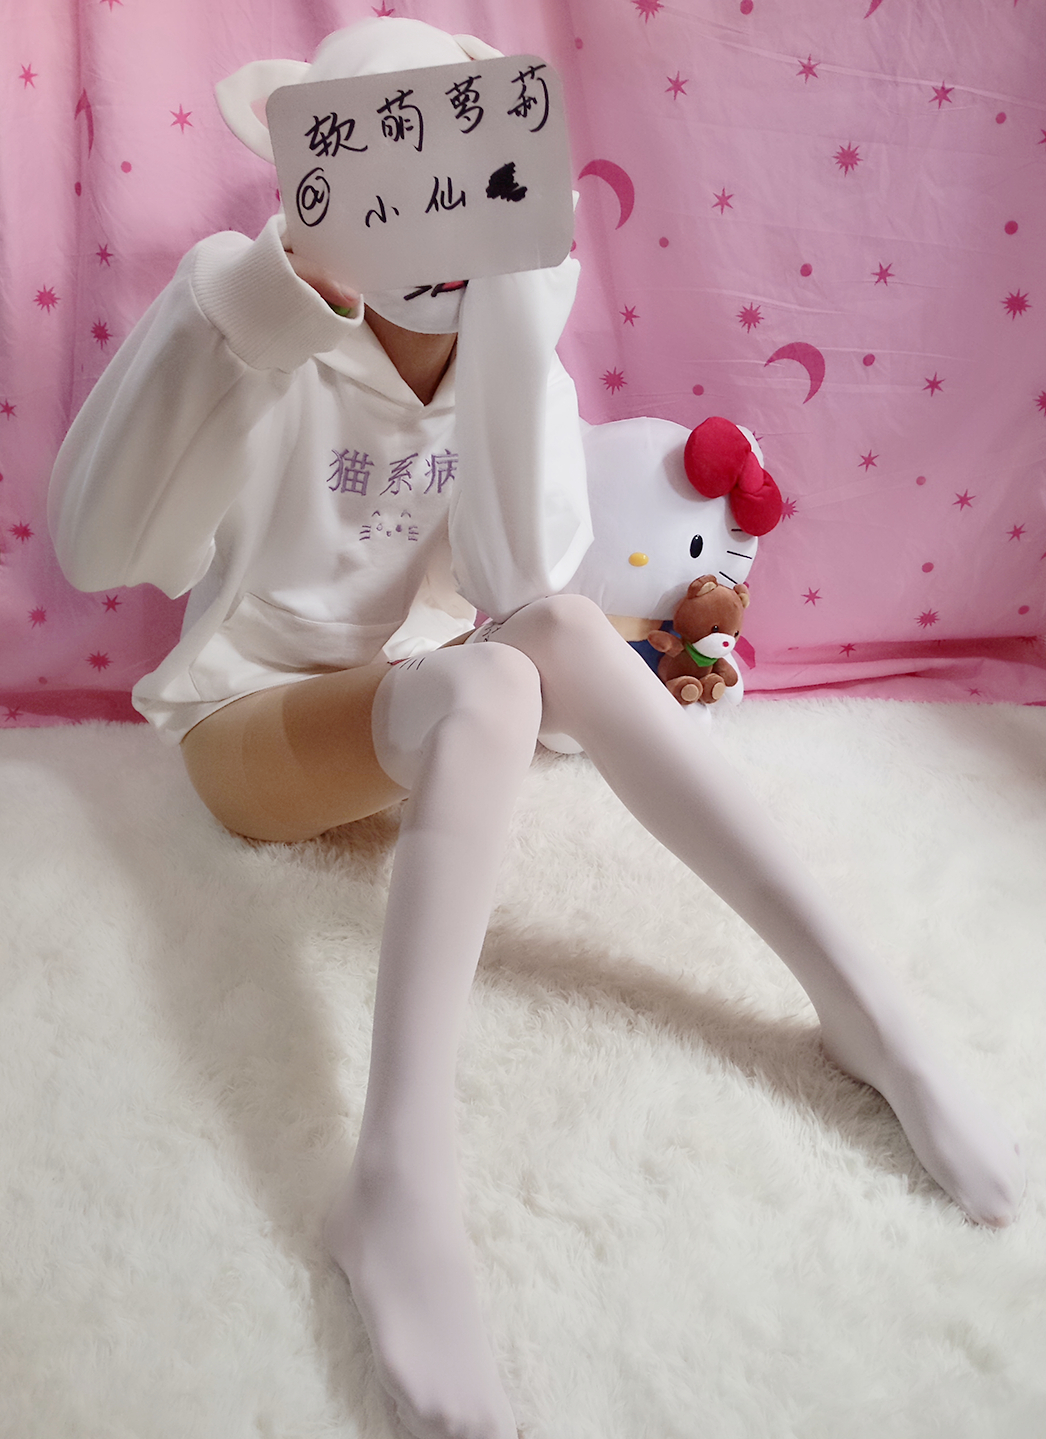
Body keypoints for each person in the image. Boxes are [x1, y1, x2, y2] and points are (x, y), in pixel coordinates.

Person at [49, 19, 1024, 1439]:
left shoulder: (504, 340)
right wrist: (261, 313)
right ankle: (398, 1180)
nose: (432, 219)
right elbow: (101, 550)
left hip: (430, 707)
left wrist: (515, 316)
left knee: (551, 636)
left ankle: (866, 1011)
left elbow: (520, 582)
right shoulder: (248, 315)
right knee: (493, 684)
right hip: (250, 731)